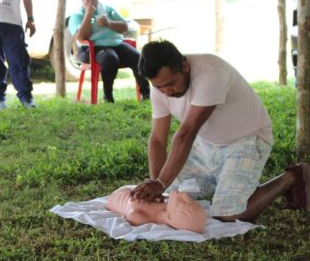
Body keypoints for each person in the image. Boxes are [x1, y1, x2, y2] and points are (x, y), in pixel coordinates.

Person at [131, 39, 309, 221]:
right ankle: (233, 183)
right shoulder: (161, 88)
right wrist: (158, 183)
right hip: (206, 144)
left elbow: (186, 134)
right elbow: (157, 141)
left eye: (170, 84)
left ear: (184, 66)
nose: (166, 92)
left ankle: (291, 177)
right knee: (171, 193)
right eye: (158, 87)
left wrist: (160, 183)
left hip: (246, 140)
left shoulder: (210, 73)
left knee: (229, 215)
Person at [68, 0, 150, 103]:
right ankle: (108, 96)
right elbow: (81, 37)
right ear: (82, 0)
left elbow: (125, 27)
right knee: (110, 59)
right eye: (88, 0)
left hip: (116, 44)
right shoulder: (77, 15)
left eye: (94, 0)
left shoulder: (107, 10)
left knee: (138, 57)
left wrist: (109, 23)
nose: (92, 3)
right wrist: (88, 14)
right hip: (92, 48)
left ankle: (146, 94)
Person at [107, 186, 207, 233]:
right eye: (189, 199)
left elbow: (132, 215)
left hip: (119, 196)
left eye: (184, 202)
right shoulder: (168, 206)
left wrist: (137, 199)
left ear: (170, 216)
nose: (185, 195)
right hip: (129, 189)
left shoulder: (142, 218)